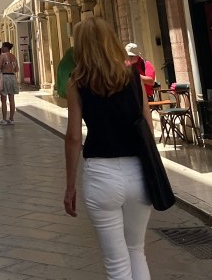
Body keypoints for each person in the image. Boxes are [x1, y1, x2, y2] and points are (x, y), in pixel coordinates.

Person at [64, 18, 154, 280]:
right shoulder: (133, 78)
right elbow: (147, 126)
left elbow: (72, 138)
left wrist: (70, 185)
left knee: (116, 263)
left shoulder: (77, 82)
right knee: (137, 250)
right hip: (138, 170)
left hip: (101, 175)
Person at [0, 41, 19, 125]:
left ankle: (4, 119)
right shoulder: (13, 56)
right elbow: (17, 69)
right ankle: (11, 118)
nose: (1, 48)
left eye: (2, 46)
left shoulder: (3, 55)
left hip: (5, 77)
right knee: (12, 99)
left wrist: (0, 66)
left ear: (6, 47)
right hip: (12, 77)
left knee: (3, 99)